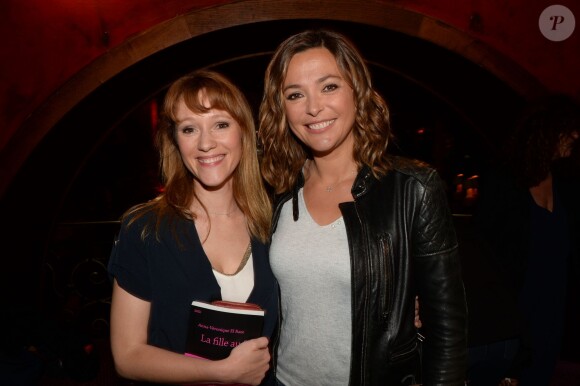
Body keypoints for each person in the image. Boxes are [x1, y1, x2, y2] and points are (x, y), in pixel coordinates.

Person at [258, 29, 468, 385]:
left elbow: (448, 328)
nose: (313, 107)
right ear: (282, 109)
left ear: (357, 90)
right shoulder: (275, 190)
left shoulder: (412, 188)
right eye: (295, 94)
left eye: (329, 87)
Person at [108, 70, 278, 385]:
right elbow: (127, 356)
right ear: (176, 141)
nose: (205, 143)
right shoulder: (146, 229)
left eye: (221, 124)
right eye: (189, 129)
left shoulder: (274, 223)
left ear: (243, 132)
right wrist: (221, 373)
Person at [468, 94, 580, 385]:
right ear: (546, 132)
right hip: (512, 315)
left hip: (553, 311)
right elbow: (484, 259)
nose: (575, 135)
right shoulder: (504, 183)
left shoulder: (566, 184)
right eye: (568, 128)